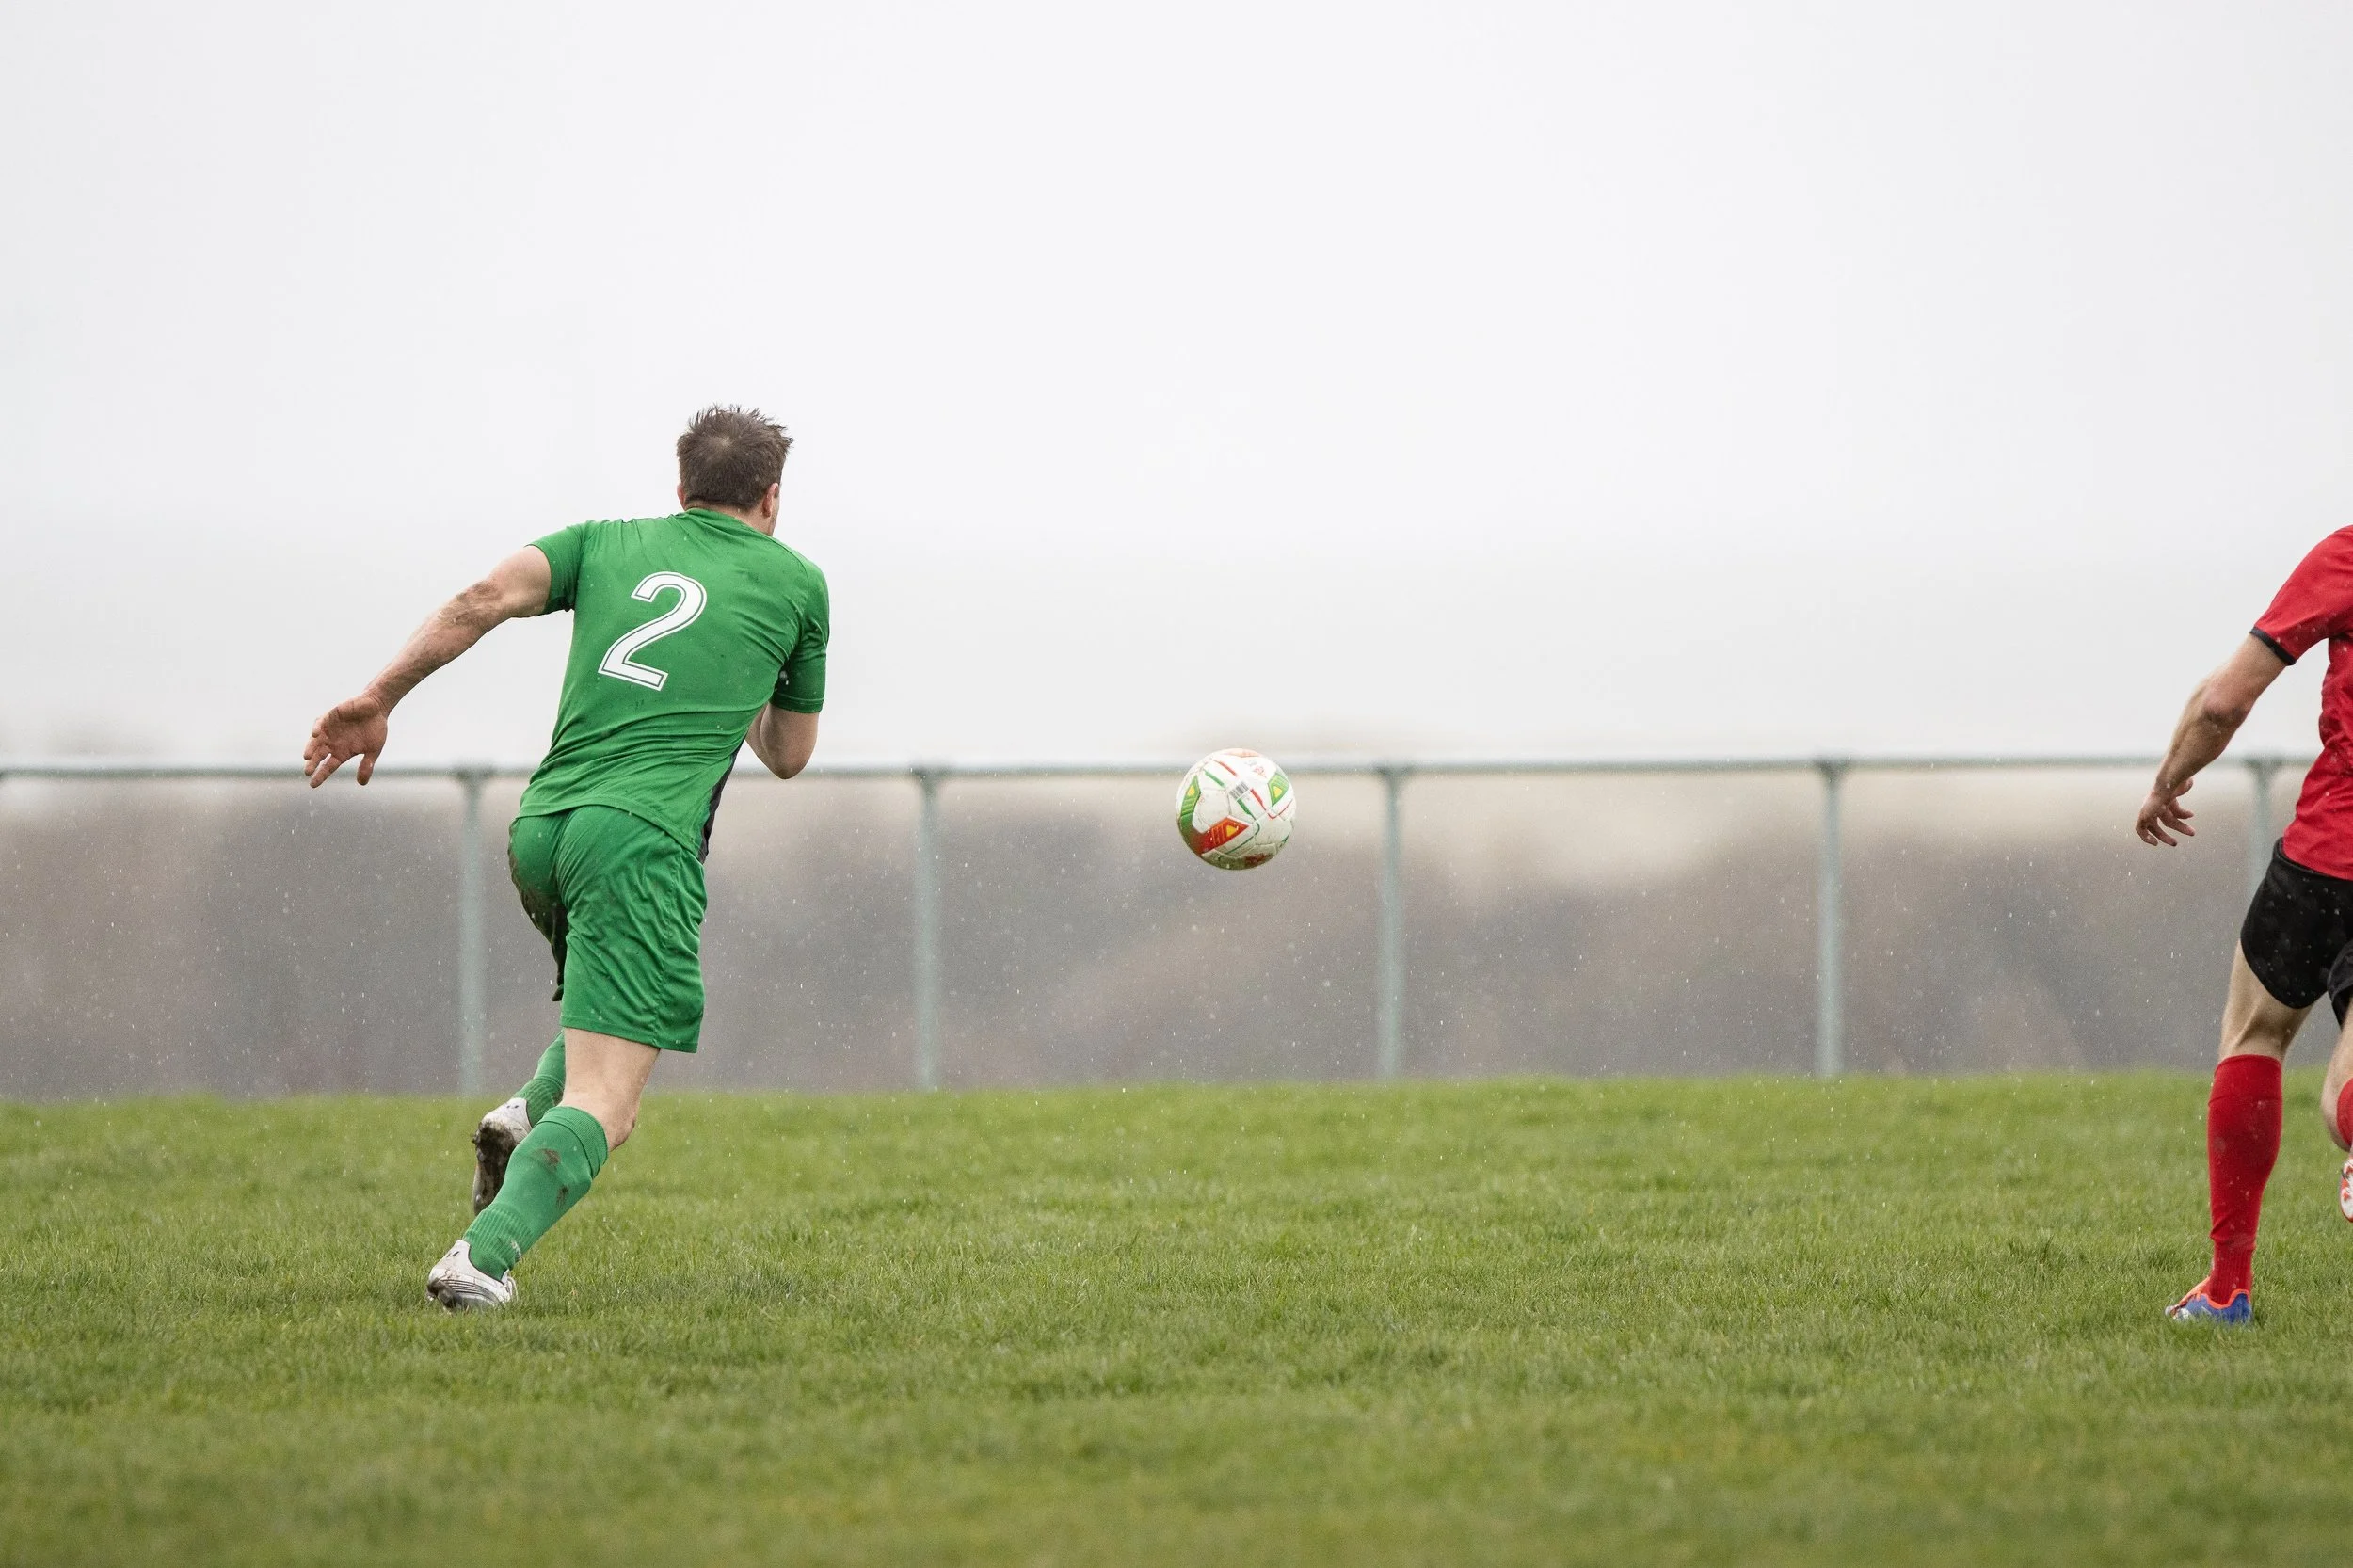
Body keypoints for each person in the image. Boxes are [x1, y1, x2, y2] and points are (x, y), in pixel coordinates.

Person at [302, 406, 828, 1310]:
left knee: (607, 1016)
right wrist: (741, 674)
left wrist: (379, 696)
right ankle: (480, 1259)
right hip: (639, 843)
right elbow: (788, 754)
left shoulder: (600, 541)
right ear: (773, 498)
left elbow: (479, 601)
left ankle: (521, 1116)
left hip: (543, 831)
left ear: (680, 489)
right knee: (610, 1103)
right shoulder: (797, 584)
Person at [2137, 525, 2353, 1324]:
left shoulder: (2347, 555)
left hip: (2328, 857)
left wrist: (2169, 780)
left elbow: (2226, 699)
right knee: (2345, 1106)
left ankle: (2228, 1289)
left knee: (2256, 1035)